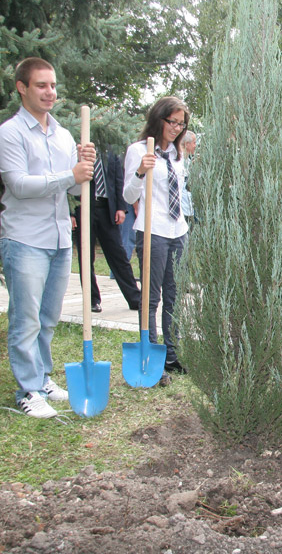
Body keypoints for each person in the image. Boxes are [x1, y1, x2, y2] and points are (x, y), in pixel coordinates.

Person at [0, 57, 95, 418]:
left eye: (52, 85)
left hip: (59, 240)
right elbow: (19, 185)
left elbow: (77, 188)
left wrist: (84, 167)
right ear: (22, 87)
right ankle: (28, 390)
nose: (50, 92)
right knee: (26, 318)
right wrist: (71, 174)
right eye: (41, 85)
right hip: (25, 240)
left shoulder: (64, 135)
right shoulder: (10, 134)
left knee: (48, 317)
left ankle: (43, 377)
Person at [123, 96, 190, 376]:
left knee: (174, 295)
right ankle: (150, 356)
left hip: (178, 230)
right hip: (153, 230)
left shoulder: (178, 154)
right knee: (151, 297)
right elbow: (128, 195)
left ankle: (171, 355)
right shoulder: (138, 150)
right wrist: (141, 171)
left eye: (181, 124)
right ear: (158, 119)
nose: (175, 128)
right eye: (171, 121)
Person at [72, 147, 141, 313]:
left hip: (106, 207)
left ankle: (135, 298)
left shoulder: (110, 148)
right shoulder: (77, 149)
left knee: (118, 254)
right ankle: (92, 299)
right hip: (82, 207)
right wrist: (70, 212)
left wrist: (121, 207)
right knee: (86, 256)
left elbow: (118, 179)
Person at [180, 131, 196, 226]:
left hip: (189, 208)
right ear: (187, 144)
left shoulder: (188, 160)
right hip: (182, 210)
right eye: (194, 142)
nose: (195, 145)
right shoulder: (179, 162)